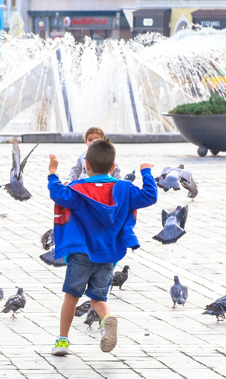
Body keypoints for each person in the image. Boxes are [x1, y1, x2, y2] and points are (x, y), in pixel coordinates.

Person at [47, 139, 157, 357]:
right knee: (98, 298)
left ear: (86, 165)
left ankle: (63, 341)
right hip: (108, 256)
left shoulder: (78, 189)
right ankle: (106, 321)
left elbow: (57, 192)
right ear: (114, 166)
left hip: (81, 253)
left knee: (71, 296)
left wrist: (52, 172)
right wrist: (146, 173)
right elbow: (149, 196)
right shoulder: (124, 189)